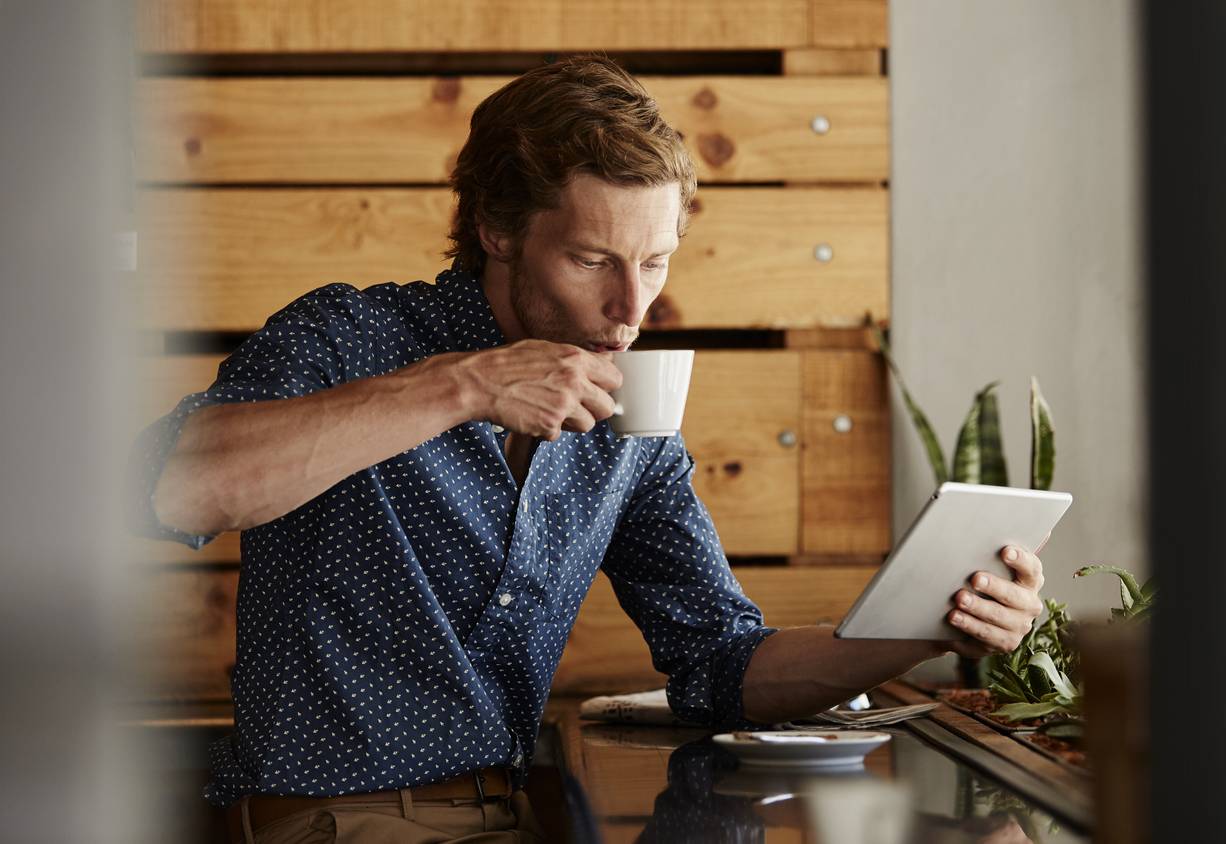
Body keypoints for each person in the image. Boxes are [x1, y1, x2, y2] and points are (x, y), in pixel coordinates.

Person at [129, 55, 1047, 843]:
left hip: (525, 813)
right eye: (591, 260)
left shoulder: (628, 426)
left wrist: (927, 622)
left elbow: (722, 663)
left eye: (654, 263)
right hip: (334, 821)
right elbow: (170, 492)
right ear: (496, 228)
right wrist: (464, 386)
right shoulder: (351, 337)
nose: (631, 309)